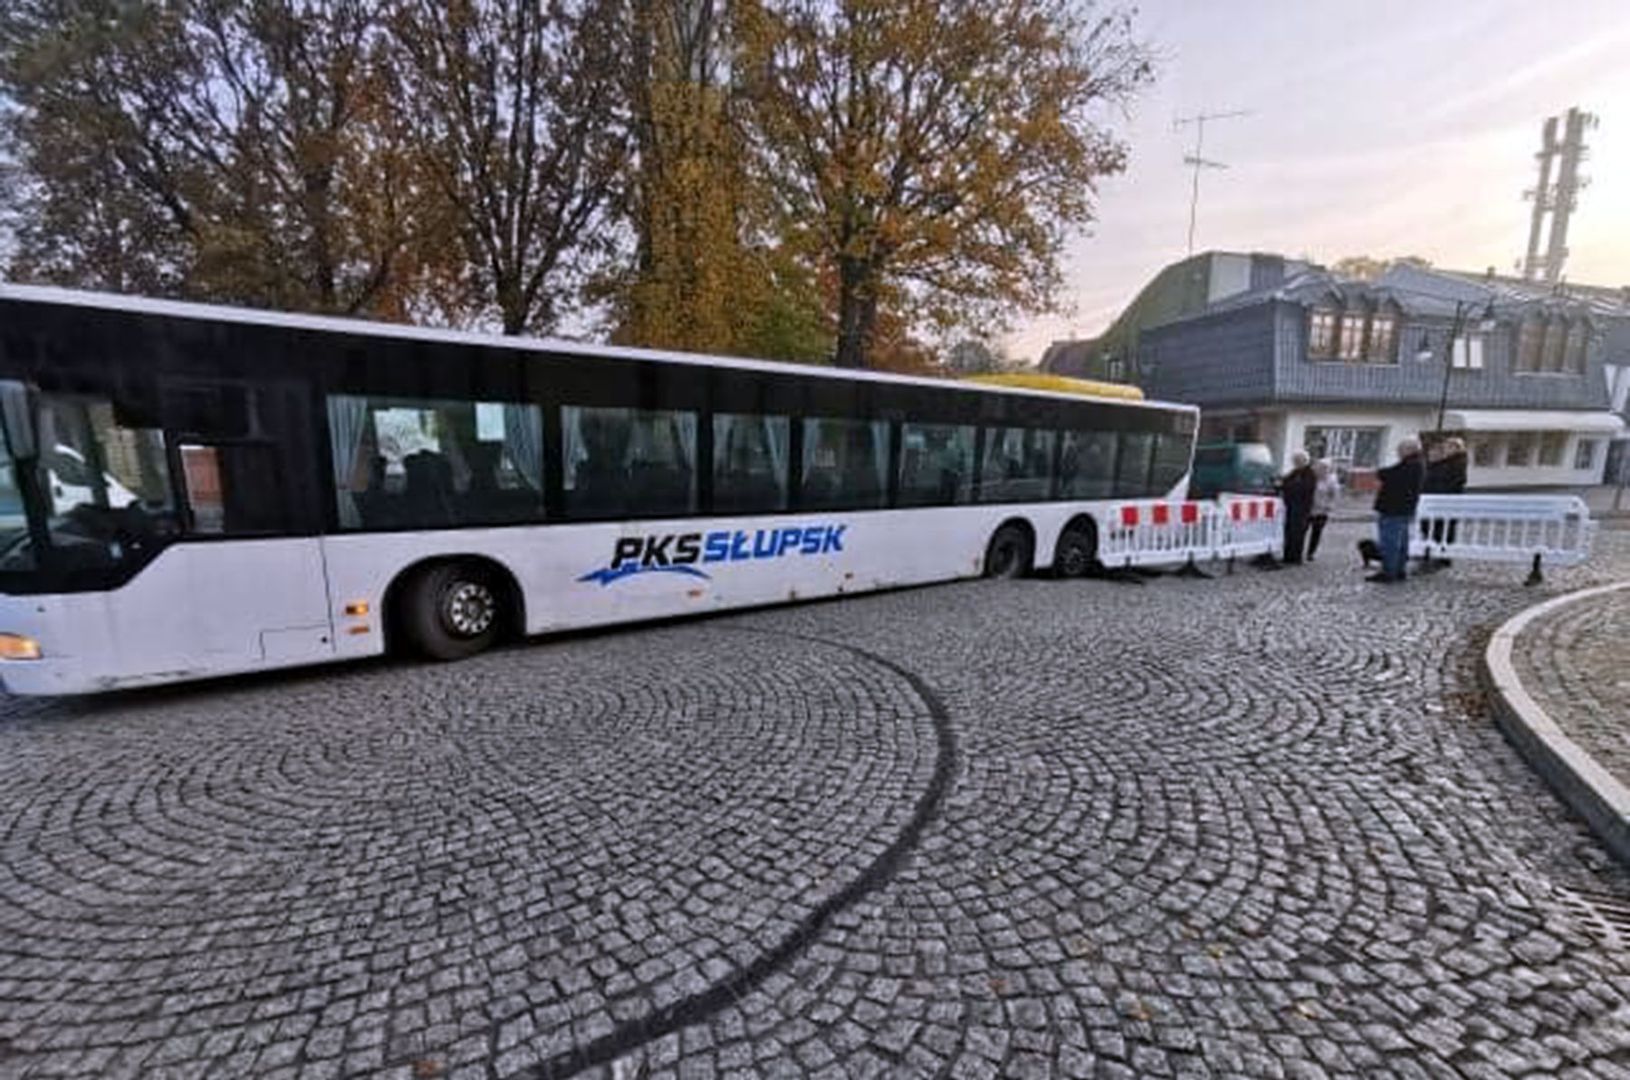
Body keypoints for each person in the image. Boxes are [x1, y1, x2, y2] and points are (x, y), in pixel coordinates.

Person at [1370, 437, 1425, 583]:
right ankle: (1398, 570)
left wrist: (1380, 472)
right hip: (1402, 508)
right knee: (1400, 542)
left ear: (1409, 450)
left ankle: (1389, 571)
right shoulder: (1415, 464)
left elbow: (1390, 474)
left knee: (1390, 542)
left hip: (1394, 509)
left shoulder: (1412, 465)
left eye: (1400, 449)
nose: (1398, 452)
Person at [1420, 436, 1468, 569]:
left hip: (1445, 503)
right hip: (1435, 502)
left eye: (1449, 447)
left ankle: (1443, 556)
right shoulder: (1445, 462)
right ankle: (1431, 552)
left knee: (1443, 531)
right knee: (1432, 529)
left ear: (1456, 449)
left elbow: (1450, 483)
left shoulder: (1456, 463)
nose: (1446, 449)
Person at [1278, 450, 1316, 564]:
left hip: (1302, 508)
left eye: (1297, 461)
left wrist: (1288, 486)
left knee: (1298, 533)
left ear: (1303, 461)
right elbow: (1286, 481)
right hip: (1291, 506)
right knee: (1289, 531)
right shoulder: (1295, 472)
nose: (1295, 463)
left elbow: (1304, 488)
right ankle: (1288, 555)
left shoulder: (1310, 473)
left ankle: (1296, 557)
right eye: (1294, 461)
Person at [1307, 458, 1339, 561]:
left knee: (1316, 532)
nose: (1321, 469)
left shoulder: (1332, 481)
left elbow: (1334, 496)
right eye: (1319, 467)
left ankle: (1310, 553)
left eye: (1324, 468)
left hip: (1322, 511)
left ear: (1328, 469)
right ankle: (1299, 550)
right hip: (1308, 508)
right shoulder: (1311, 478)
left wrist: (1329, 506)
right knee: (1302, 530)